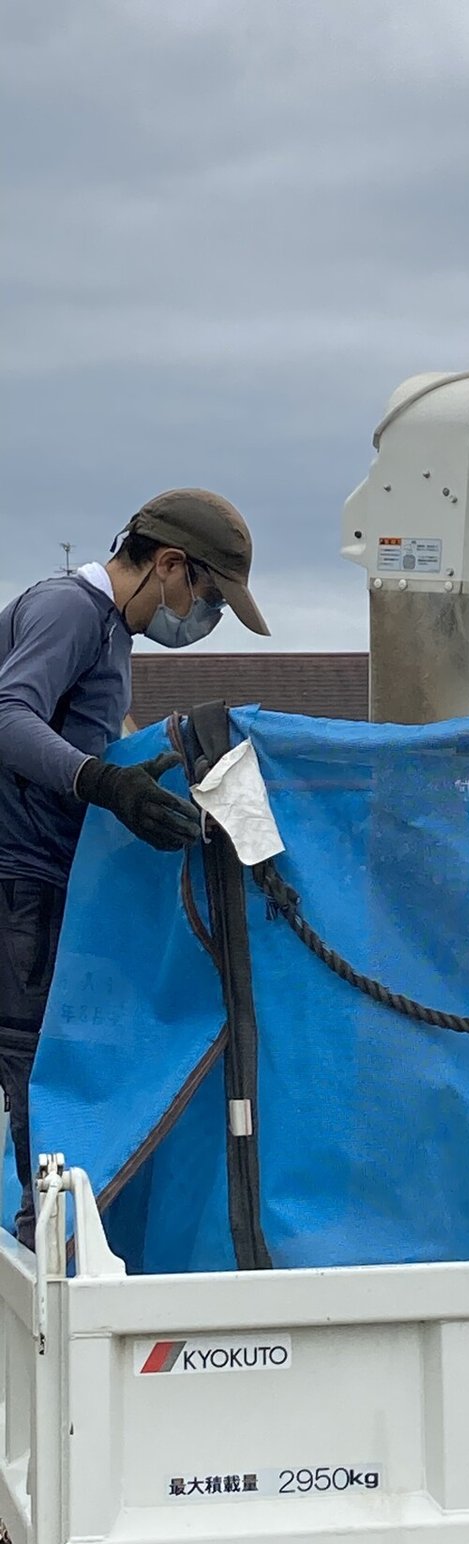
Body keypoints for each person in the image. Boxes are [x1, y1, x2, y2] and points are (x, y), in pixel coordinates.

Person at [0, 490, 269, 1246]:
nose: (203, 614)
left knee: (47, 1067)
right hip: (17, 879)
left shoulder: (110, 633)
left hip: (44, 878)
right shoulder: (70, 611)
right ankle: (40, 1254)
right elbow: (8, 714)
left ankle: (45, 1239)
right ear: (169, 564)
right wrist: (104, 783)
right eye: (207, 595)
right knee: (33, 1070)